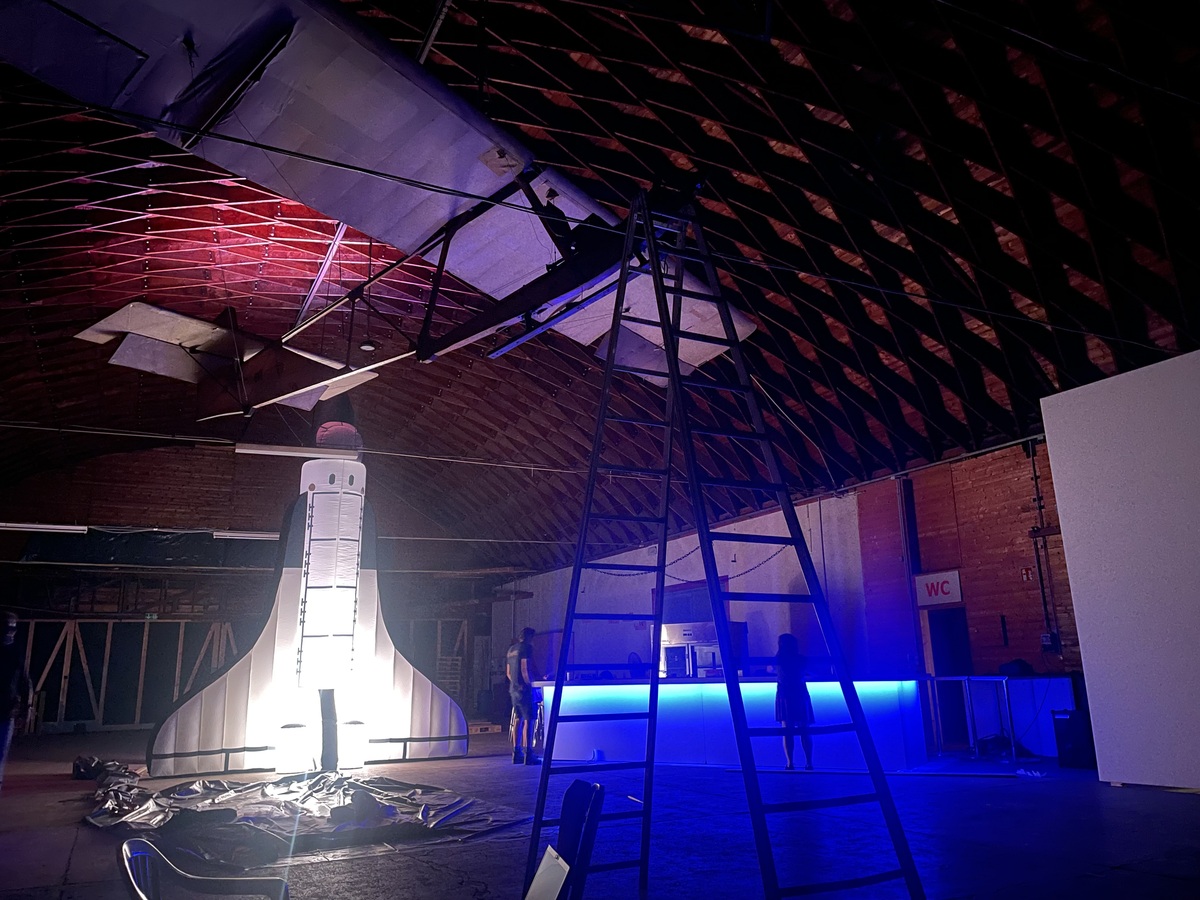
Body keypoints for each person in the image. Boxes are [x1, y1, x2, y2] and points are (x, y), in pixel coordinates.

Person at [1, 610, 32, 793]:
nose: (10, 632)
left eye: (13, 628)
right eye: (7, 628)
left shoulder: (16, 654)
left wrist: (27, 707)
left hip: (6, 712)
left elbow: (25, 681)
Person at [774, 633, 814, 770]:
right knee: (805, 728)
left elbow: (772, 670)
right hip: (800, 692)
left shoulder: (778, 659)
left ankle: (790, 762)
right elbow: (810, 671)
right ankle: (809, 762)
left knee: (787, 729)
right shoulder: (801, 659)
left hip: (784, 694)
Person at [506, 627, 540, 765]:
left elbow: (508, 672)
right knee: (529, 720)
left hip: (513, 690)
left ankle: (516, 753)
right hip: (524, 690)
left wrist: (515, 684)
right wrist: (529, 684)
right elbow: (525, 668)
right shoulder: (526, 648)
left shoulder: (511, 649)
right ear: (530, 637)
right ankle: (529, 754)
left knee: (518, 719)